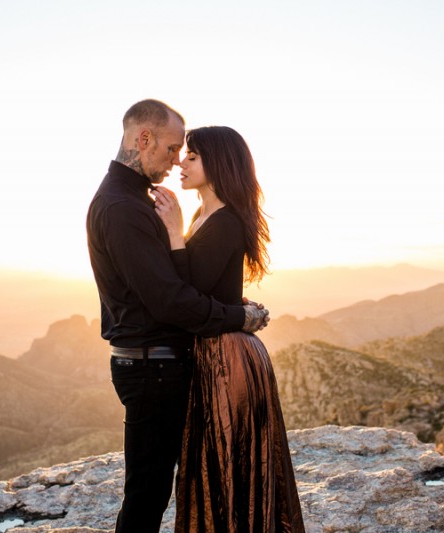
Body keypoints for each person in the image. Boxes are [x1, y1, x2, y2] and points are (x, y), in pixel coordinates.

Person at [86, 100, 270, 533]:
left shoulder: (137, 200)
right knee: (148, 492)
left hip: (161, 363)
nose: (175, 161)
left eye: (185, 153)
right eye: (172, 149)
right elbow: (170, 300)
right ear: (142, 139)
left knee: (161, 485)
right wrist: (237, 317)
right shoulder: (123, 208)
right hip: (152, 367)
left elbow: (178, 281)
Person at [152, 126, 305, 531]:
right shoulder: (206, 215)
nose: (180, 164)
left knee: (228, 461)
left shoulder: (226, 221)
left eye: (192, 157)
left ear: (217, 163)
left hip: (228, 358)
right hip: (215, 350)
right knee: (213, 462)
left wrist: (172, 231)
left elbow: (191, 291)